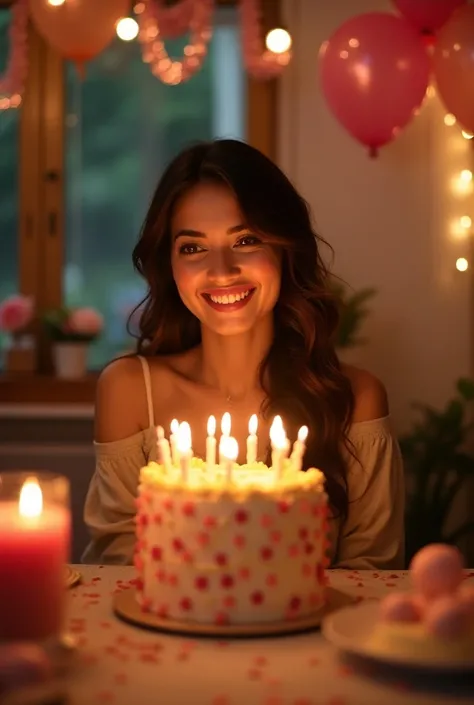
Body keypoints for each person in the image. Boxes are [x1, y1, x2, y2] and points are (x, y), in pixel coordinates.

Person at [82, 139, 405, 569]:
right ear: (170, 265)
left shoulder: (356, 398)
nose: (221, 270)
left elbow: (373, 577)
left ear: (285, 250)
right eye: (193, 247)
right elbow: (116, 568)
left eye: (246, 239)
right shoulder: (129, 392)